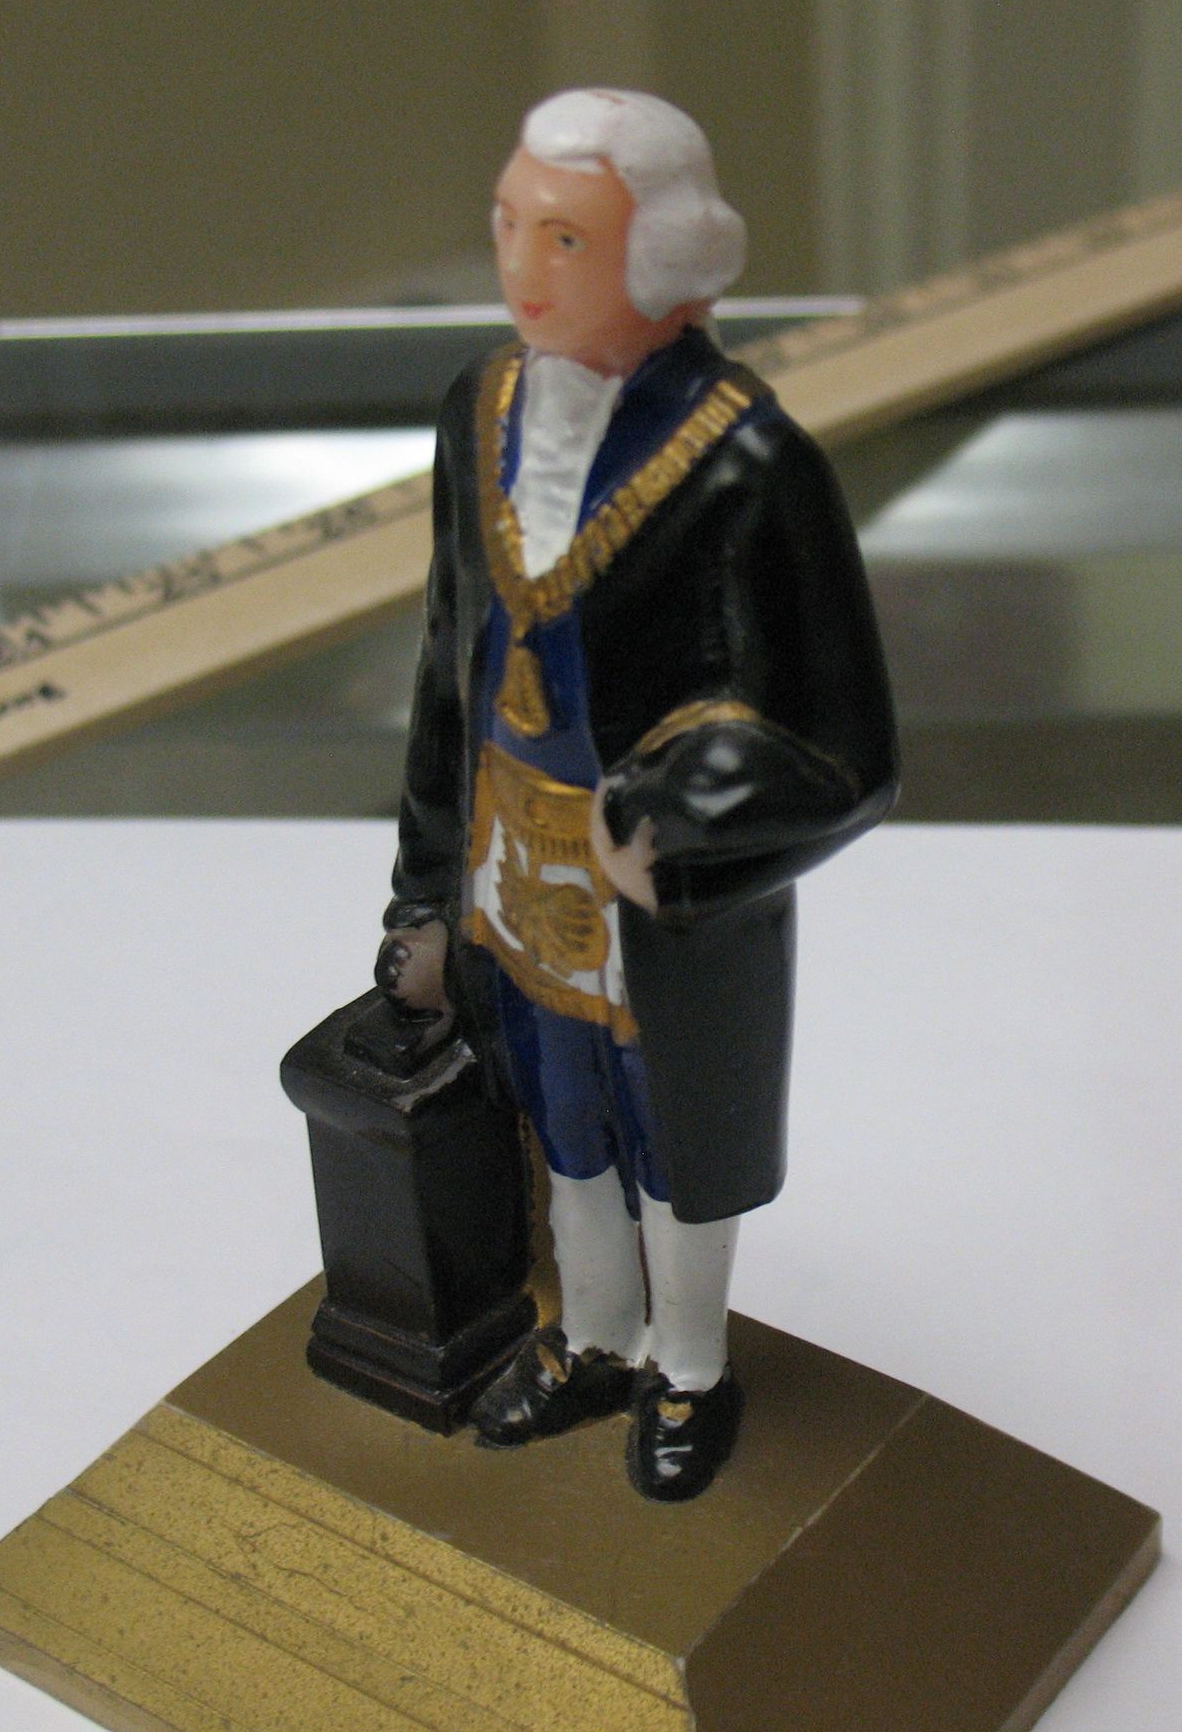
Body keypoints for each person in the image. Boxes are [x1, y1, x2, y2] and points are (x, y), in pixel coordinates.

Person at [376, 88, 897, 1502]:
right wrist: (424, 889)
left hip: (654, 895)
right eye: (509, 226)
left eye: (565, 240)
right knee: (562, 1123)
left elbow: (851, 747)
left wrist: (681, 825)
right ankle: (596, 1335)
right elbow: (447, 661)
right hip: (509, 861)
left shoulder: (749, 464)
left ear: (666, 259)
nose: (520, 268)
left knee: (675, 1139)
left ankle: (692, 1364)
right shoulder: (477, 410)